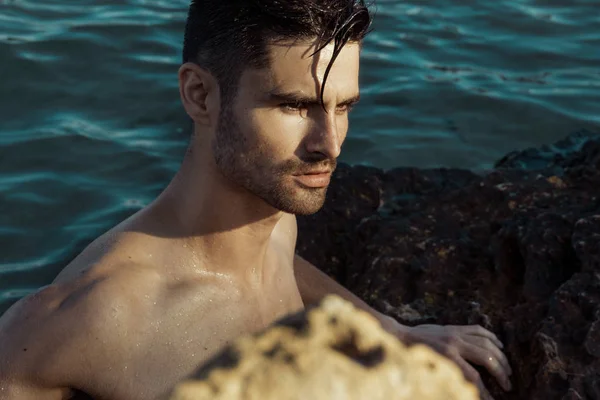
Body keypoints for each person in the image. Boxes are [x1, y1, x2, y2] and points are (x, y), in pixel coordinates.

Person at [0, 1, 512, 399]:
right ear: (200, 95)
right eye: (294, 106)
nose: (328, 144)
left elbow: (285, 262)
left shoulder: (275, 219)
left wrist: (392, 331)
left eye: (344, 106)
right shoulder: (85, 322)